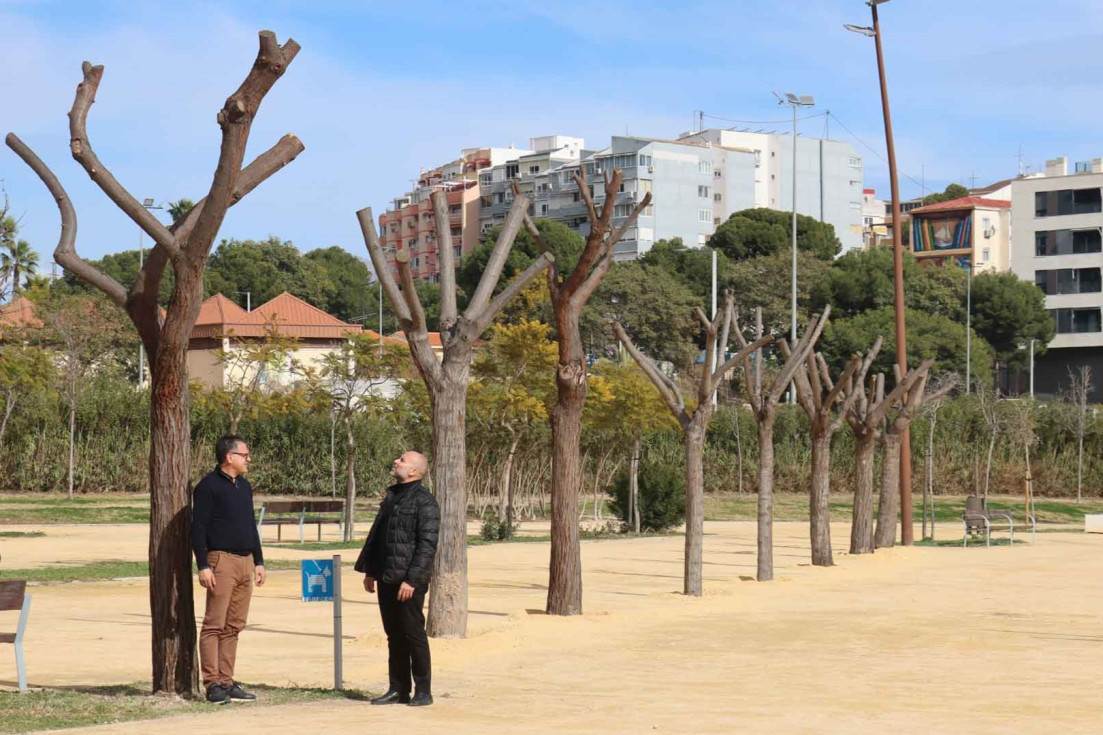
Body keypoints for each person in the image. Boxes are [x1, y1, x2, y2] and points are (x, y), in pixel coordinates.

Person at [355, 451, 440, 707]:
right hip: (386, 576)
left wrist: (412, 580)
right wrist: (371, 570)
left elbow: (427, 545)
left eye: (402, 460)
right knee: (394, 635)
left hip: (408, 581)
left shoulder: (426, 502)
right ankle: (398, 688)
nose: (395, 461)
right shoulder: (391, 496)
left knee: (413, 634)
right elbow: (378, 535)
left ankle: (423, 690)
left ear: (414, 471)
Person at [191, 435, 266, 704]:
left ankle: (226, 679)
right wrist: (202, 565)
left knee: (234, 625)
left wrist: (258, 560)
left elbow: (250, 526)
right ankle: (212, 684)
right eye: (245, 455)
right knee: (214, 624)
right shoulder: (208, 487)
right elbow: (197, 528)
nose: (249, 459)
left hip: (245, 561)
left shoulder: (244, 487)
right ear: (229, 457)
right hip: (220, 561)